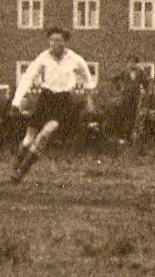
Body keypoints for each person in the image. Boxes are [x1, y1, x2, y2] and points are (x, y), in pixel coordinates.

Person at [9, 26, 97, 182]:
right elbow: (28, 78)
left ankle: (21, 172)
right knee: (29, 139)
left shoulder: (75, 59)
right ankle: (16, 164)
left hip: (63, 101)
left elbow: (88, 80)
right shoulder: (43, 58)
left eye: (59, 40)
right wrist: (16, 102)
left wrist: (89, 99)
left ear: (65, 42)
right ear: (48, 41)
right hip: (45, 99)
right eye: (52, 40)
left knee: (45, 135)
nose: (55, 43)